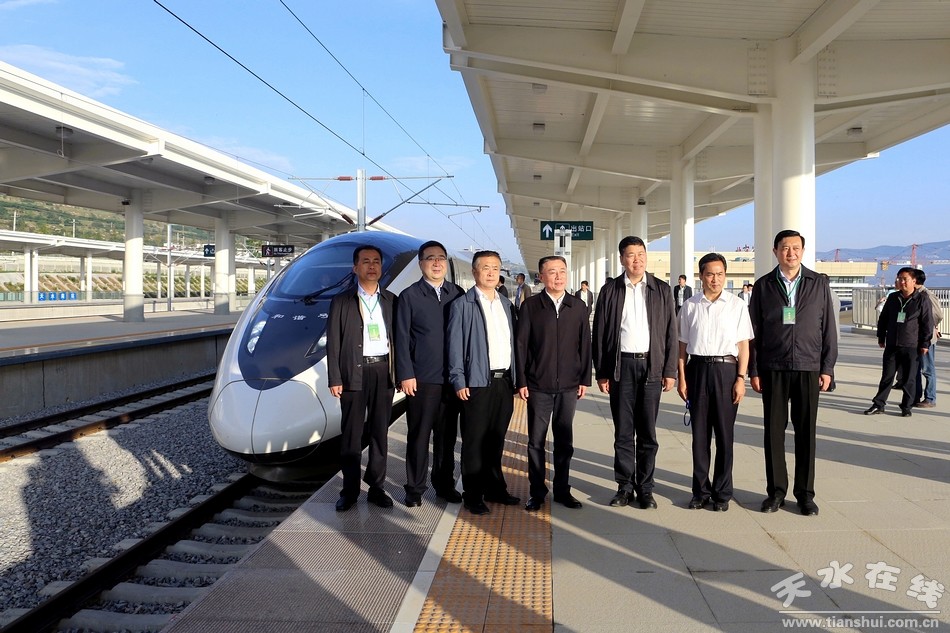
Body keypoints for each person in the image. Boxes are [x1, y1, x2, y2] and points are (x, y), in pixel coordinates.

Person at [749, 229, 837, 517]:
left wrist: (827, 367)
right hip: (773, 366)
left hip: (808, 366)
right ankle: (776, 492)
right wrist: (754, 369)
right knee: (774, 433)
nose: (791, 253)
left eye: (796, 248)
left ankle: (805, 495)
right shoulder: (763, 286)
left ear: (803, 251)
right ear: (775, 251)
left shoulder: (818, 283)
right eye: (785, 248)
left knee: (806, 433)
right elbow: (754, 331)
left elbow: (828, 328)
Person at [592, 236, 677, 510]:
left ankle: (646, 489)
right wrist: (602, 372)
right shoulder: (610, 290)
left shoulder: (661, 289)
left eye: (641, 254)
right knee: (623, 432)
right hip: (621, 368)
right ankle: (625, 487)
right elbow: (600, 333)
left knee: (648, 433)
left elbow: (671, 332)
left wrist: (670, 370)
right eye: (631, 255)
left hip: (652, 367)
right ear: (622, 259)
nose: (637, 259)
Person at [677, 253, 753, 512]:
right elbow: (682, 347)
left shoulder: (737, 305)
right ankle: (700, 491)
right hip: (697, 370)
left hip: (726, 371)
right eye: (710, 274)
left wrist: (741, 378)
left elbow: (743, 346)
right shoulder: (690, 306)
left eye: (720, 274)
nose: (715, 279)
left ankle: (722, 493)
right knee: (700, 436)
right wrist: (682, 378)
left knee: (724, 435)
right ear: (701, 276)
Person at [516, 255, 592, 512]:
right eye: (552, 272)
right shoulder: (531, 307)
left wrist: (584, 379)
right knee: (536, 442)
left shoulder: (577, 306)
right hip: (538, 385)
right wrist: (522, 381)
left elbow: (585, 345)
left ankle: (562, 490)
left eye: (562, 271)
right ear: (541, 277)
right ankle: (537, 492)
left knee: (564, 442)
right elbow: (521, 346)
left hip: (569, 386)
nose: (558, 277)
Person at [447, 250, 520, 515]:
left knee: (496, 440)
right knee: (474, 442)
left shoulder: (506, 304)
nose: (491, 272)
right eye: (485, 267)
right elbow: (454, 346)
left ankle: (495, 489)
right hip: (477, 382)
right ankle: (473, 494)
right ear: (474, 272)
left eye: (495, 268)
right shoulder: (462, 305)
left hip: (504, 382)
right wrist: (458, 379)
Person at [327, 245, 398, 512]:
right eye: (366, 261)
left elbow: (399, 340)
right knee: (351, 435)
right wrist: (335, 377)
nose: (372, 266)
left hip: (383, 371)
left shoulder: (391, 300)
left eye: (376, 261)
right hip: (353, 373)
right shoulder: (342, 301)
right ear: (355, 267)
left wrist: (400, 374)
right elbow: (333, 342)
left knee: (380, 432)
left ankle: (377, 487)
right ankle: (350, 491)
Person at [395, 240, 464, 507]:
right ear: (421, 264)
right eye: (430, 258)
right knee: (419, 435)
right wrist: (405, 374)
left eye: (441, 258)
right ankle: (414, 488)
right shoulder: (409, 296)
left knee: (446, 438)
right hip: (422, 380)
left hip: (452, 380)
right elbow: (401, 338)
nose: (436, 263)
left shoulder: (456, 294)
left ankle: (444, 485)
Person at [865, 267, 933, 417]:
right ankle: (878, 404)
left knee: (909, 378)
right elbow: (883, 318)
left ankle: (906, 406)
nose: (901, 282)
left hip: (911, 344)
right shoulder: (893, 298)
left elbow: (927, 323)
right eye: (899, 279)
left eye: (904, 279)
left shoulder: (922, 299)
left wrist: (925, 343)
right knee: (887, 377)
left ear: (914, 281)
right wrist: (881, 336)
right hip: (892, 343)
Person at [914, 269, 942, 409]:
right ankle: (915, 396)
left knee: (927, 368)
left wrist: (932, 326)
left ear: (915, 280)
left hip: (927, 337)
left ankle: (930, 398)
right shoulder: (914, 294)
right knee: (915, 368)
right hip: (915, 337)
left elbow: (938, 315)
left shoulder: (927, 295)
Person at [819, 273, 841, 392]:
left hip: (827, 332)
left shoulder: (826, 295)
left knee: (826, 357)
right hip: (833, 331)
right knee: (828, 357)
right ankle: (830, 382)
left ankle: (829, 382)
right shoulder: (834, 294)